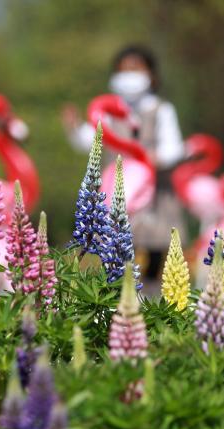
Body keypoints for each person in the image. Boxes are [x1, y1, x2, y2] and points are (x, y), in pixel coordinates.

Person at [62, 45, 187, 284]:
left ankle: (154, 309)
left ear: (152, 75)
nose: (129, 75)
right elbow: (89, 140)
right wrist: (74, 126)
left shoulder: (161, 109)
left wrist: (151, 158)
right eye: (123, 70)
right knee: (116, 258)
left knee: (155, 260)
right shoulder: (110, 111)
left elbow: (174, 148)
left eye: (135, 69)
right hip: (116, 197)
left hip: (156, 198)